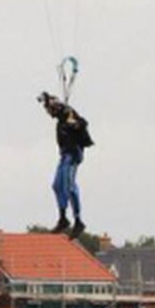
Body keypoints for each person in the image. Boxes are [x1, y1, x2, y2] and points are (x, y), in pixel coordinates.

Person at [38, 91, 93, 240]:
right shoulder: (60, 118)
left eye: (48, 109)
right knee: (56, 185)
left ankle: (78, 221)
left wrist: (74, 124)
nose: (47, 113)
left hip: (73, 155)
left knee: (69, 186)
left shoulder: (69, 113)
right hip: (64, 156)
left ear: (54, 107)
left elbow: (83, 123)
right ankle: (63, 218)